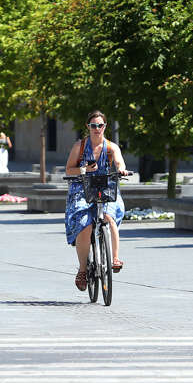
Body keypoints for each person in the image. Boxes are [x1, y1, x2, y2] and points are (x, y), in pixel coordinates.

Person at [65, 110, 127, 291]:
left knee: (109, 216)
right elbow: (69, 169)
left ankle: (114, 258)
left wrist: (121, 170)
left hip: (106, 186)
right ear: (88, 127)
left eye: (100, 125)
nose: (97, 129)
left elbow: (119, 162)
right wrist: (84, 169)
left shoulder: (111, 147)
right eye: (93, 125)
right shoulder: (80, 146)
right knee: (85, 224)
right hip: (82, 188)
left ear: (105, 127)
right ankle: (83, 270)